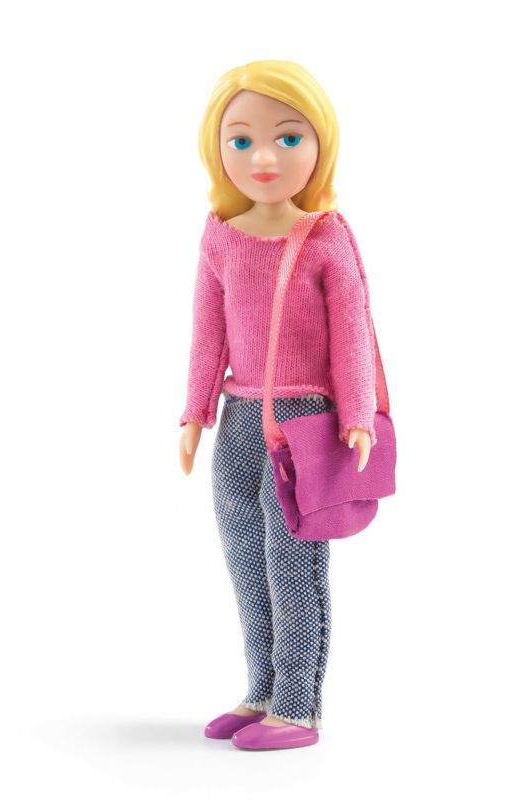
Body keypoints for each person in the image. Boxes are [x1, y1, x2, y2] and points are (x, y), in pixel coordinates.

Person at [178, 60, 379, 750]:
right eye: (242, 140)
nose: (263, 157)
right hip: (238, 419)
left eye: (288, 138)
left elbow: (352, 331)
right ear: (217, 148)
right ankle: (261, 688)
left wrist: (357, 415)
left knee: (293, 561)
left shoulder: (325, 236)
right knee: (244, 554)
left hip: (306, 422)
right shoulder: (220, 233)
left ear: (322, 143)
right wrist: (195, 412)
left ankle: (298, 704)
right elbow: (208, 328)